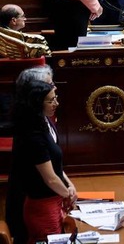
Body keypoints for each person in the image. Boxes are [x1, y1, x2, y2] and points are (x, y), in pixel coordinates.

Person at [12, 80, 76, 243]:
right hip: (42, 208)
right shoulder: (32, 134)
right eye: (51, 100)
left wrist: (70, 186)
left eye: (56, 98)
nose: (57, 103)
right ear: (37, 103)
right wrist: (67, 195)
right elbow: (50, 178)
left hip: (54, 203)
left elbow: (54, 164)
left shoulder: (45, 123)